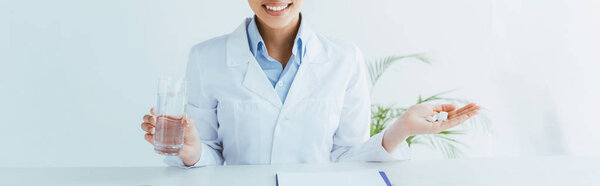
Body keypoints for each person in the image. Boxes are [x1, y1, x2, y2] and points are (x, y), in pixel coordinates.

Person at [140, 0, 481, 168]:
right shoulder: (206, 58)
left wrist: (401, 128)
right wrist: (193, 152)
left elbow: (348, 156)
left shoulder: (345, 58)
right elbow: (209, 155)